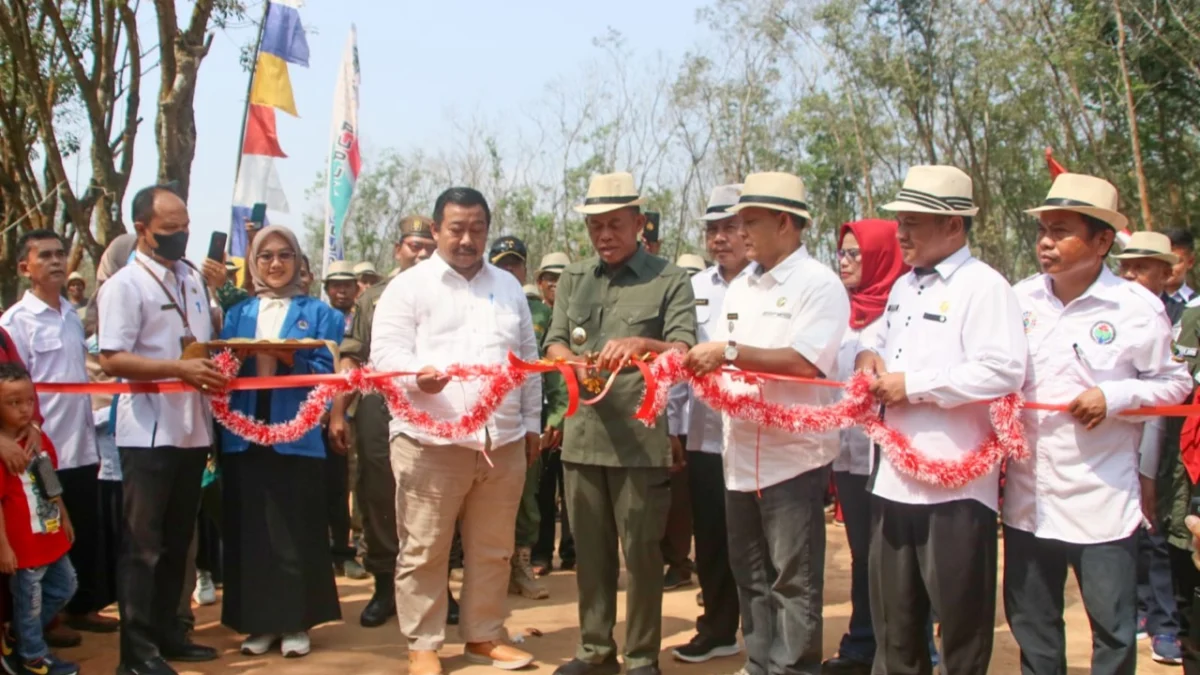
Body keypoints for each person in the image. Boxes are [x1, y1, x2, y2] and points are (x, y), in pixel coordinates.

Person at [1003, 174, 1192, 675]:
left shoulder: (1135, 309)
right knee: (1035, 629)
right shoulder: (1017, 301)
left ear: (1102, 240)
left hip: (1102, 501)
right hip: (1029, 499)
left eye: (1061, 230)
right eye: (1043, 230)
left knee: (1112, 629)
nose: (1046, 241)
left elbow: (1175, 384)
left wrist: (1116, 395)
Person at [855, 166, 1028, 674]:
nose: (901, 232)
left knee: (961, 626)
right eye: (899, 221)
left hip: (954, 486)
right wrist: (869, 359)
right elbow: (875, 339)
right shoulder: (903, 288)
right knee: (894, 624)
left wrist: (914, 384)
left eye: (914, 221)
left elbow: (1002, 370)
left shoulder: (985, 287)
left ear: (954, 226)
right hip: (894, 480)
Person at [684, 172, 849, 675]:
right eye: (736, 222)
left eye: (749, 221)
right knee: (749, 573)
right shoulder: (743, 287)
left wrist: (729, 352)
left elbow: (805, 362)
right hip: (738, 454)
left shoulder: (819, 285)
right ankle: (759, 662)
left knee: (793, 579)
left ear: (785, 222)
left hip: (792, 458)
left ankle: (794, 667)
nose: (740, 233)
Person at [372, 188, 541, 675]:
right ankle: (423, 643)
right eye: (456, 229)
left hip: (501, 441)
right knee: (425, 547)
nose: (467, 240)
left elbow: (526, 362)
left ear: (487, 230)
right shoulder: (409, 287)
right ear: (436, 230)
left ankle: (483, 636)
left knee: (493, 547)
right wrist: (415, 375)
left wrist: (530, 424)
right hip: (430, 440)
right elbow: (385, 355)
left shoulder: (508, 287)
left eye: (477, 230)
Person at [545, 172, 697, 675]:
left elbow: (683, 350)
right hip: (582, 438)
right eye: (595, 226)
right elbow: (554, 342)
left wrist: (641, 346)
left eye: (614, 224)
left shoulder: (669, 279)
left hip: (638, 441)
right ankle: (594, 651)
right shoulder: (573, 278)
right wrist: (570, 359)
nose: (604, 235)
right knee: (591, 557)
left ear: (639, 222)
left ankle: (640, 658)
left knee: (642, 556)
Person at [97, 183, 228, 675]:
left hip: (193, 429)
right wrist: (178, 370)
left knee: (178, 540)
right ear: (143, 229)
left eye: (186, 227)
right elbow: (111, 359)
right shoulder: (124, 287)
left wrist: (211, 370)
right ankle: (137, 652)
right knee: (143, 546)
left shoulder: (192, 278)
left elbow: (202, 341)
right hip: (148, 434)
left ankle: (174, 632)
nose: (181, 236)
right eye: (170, 229)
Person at [218, 225, 344, 658]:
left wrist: (295, 356)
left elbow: (329, 367)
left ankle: (296, 624)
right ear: (254, 262)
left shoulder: (321, 312)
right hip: (244, 435)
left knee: (297, 529)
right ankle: (257, 624)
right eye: (266, 255)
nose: (276, 264)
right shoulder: (237, 314)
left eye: (285, 255)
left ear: (298, 262)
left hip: (297, 434)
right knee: (251, 530)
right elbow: (220, 364)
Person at [0, 231, 115, 636]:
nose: (55, 261)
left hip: (81, 445)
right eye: (44, 255)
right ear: (24, 268)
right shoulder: (15, 322)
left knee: (81, 527)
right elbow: (12, 388)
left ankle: (83, 607)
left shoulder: (71, 314)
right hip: (39, 452)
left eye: (60, 254)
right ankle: (45, 620)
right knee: (45, 534)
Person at [330, 214, 438, 629]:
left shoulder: (448, 292)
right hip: (379, 403)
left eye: (428, 246)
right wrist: (339, 411)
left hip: (435, 403)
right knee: (377, 491)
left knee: (435, 494)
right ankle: (383, 585)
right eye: (414, 245)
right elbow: (352, 355)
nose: (422, 252)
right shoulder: (373, 297)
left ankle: (436, 588)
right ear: (398, 249)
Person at [821, 219, 908, 675]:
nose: (845, 262)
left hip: (894, 453)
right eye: (842, 253)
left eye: (856, 254)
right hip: (848, 454)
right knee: (862, 550)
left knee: (899, 552)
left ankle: (906, 644)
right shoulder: (839, 310)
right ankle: (863, 641)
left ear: (881, 256)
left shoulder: (902, 305)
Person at [667, 184, 747, 665]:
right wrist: (675, 430)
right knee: (712, 538)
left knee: (758, 544)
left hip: (761, 434)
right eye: (712, 230)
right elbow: (678, 365)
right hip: (704, 435)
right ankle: (718, 628)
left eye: (730, 228)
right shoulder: (693, 289)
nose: (719, 239)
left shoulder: (767, 285)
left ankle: (767, 632)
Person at [1114, 230, 1186, 662]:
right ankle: (1142, 608)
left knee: (1163, 533)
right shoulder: (1113, 314)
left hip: (1173, 447)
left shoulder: (1181, 315)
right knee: (1135, 533)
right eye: (1124, 266)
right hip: (1129, 440)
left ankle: (1167, 623)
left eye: (1140, 267)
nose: (1129, 275)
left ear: (1168, 270)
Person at [0, 363, 80, 675]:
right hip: (23, 544)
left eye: (29, 401)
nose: (24, 409)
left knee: (65, 586)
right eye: (13, 403)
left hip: (50, 533)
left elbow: (49, 478)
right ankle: (32, 656)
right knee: (29, 601)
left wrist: (64, 514)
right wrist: (4, 546)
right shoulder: (4, 452)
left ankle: (19, 635)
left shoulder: (37, 438)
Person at [488, 235, 552, 601]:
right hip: (480, 416)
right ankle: (490, 571)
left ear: (525, 269)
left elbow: (550, 368)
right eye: (501, 263)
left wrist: (553, 414)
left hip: (524, 414)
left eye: (515, 263)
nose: (508, 270)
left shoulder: (540, 311)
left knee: (525, 495)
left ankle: (522, 565)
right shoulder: (476, 301)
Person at [321, 260, 368, 580]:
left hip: (357, 413)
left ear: (356, 288)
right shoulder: (319, 317)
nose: (341, 290)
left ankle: (347, 550)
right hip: (317, 412)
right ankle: (323, 550)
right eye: (335, 285)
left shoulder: (364, 317)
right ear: (326, 289)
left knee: (348, 485)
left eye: (347, 285)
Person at [531, 251, 576, 577]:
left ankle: (573, 552)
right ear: (540, 282)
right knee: (543, 489)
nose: (555, 285)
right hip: (542, 415)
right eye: (550, 279)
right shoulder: (531, 318)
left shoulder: (577, 318)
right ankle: (542, 553)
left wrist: (563, 415)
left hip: (574, 413)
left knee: (574, 491)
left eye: (562, 279)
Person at [1167, 228, 1196, 304]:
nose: (1167, 268)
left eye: (1175, 261)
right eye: (1163, 261)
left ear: (1190, 262)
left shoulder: (1196, 304)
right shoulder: (1140, 302)